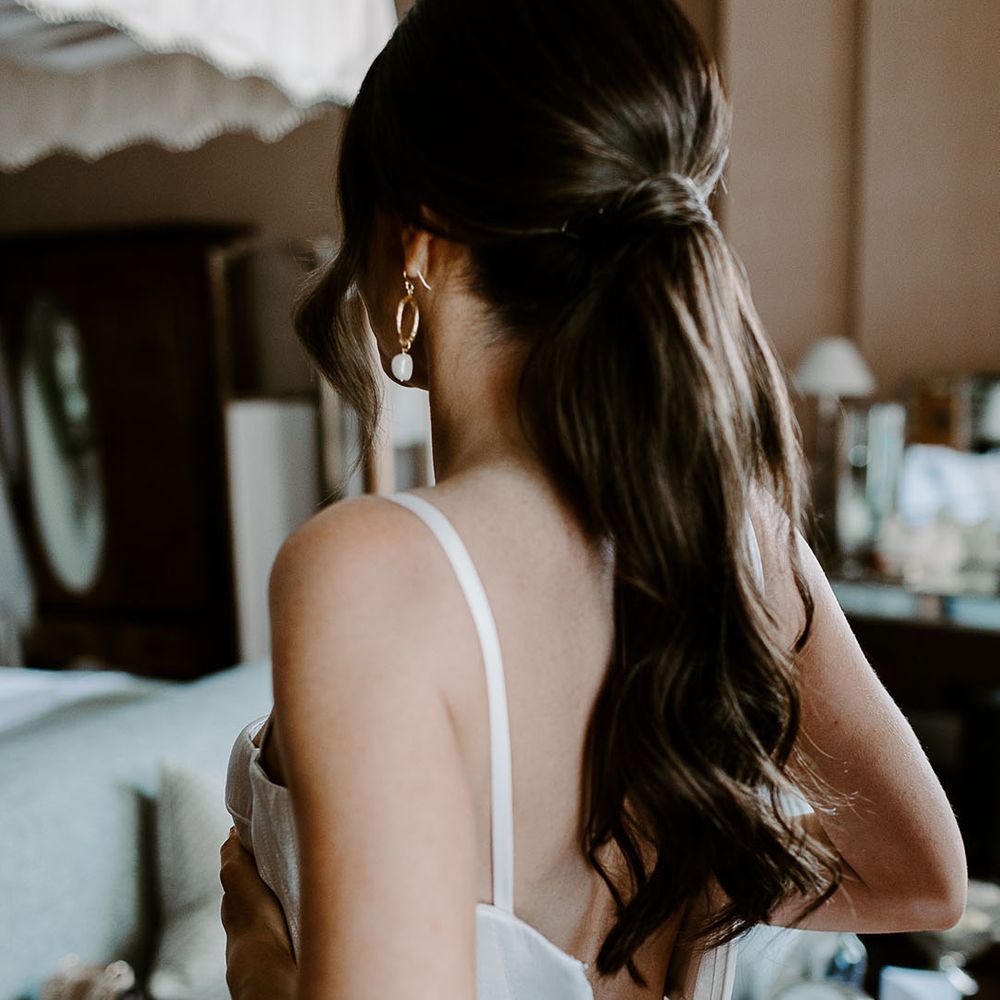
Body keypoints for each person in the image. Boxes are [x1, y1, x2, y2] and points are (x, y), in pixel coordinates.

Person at [219, 1, 968, 998]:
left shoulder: (373, 572)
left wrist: (269, 973)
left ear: (409, 241)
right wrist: (691, 873)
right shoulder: (737, 541)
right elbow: (920, 876)